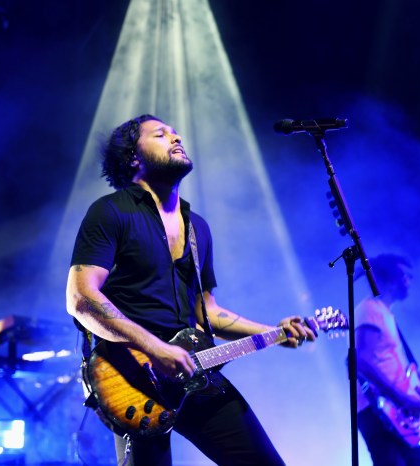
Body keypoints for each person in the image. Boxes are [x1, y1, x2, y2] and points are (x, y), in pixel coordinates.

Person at [65, 114, 317, 466]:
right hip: (133, 379)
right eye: (160, 134)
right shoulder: (110, 212)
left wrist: (274, 332)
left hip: (196, 372)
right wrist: (155, 348)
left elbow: (207, 312)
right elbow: (81, 298)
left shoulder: (198, 228)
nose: (176, 137)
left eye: (175, 132)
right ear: (133, 157)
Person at [355, 254, 420, 466]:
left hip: (396, 410)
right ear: (392, 280)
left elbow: (385, 363)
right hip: (378, 410)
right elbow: (362, 361)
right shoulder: (371, 310)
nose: (409, 281)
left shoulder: (384, 314)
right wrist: (402, 398)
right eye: (405, 276)